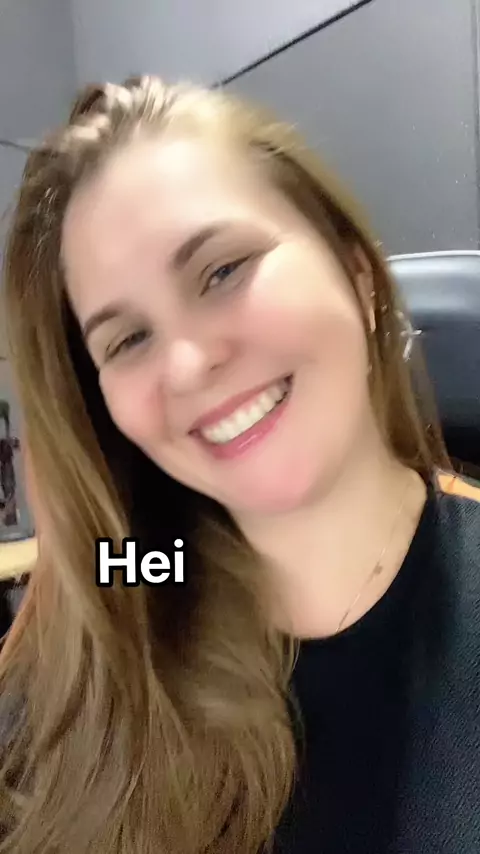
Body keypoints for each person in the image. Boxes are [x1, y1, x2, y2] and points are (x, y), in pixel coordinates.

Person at [0, 76, 479, 854]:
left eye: (222, 271)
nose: (188, 366)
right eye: (128, 339)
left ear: (356, 274)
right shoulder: (145, 579)